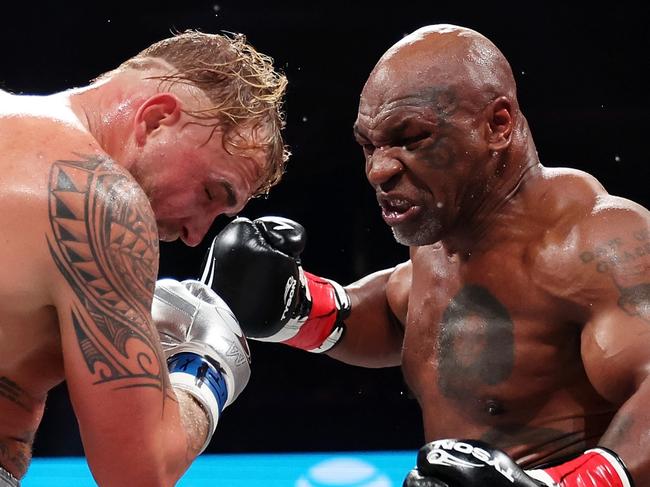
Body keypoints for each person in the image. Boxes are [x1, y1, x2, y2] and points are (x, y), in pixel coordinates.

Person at [200, 24, 650, 486]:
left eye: (411, 138)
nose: (379, 170)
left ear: (498, 125)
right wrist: (299, 306)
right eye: (368, 145)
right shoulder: (441, 235)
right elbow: (407, 318)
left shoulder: (599, 241)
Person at [0, 30, 288, 486]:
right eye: (212, 193)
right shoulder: (99, 200)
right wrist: (204, 372)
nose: (196, 236)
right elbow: (137, 473)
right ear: (156, 119)